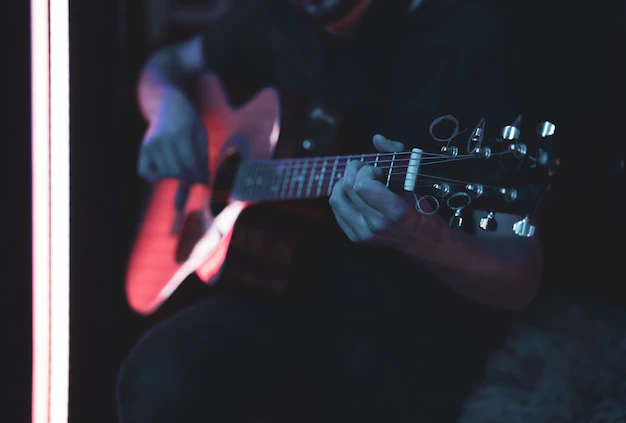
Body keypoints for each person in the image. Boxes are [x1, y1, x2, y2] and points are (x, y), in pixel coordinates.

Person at [117, 0, 547, 421]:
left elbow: (519, 277)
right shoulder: (273, 16)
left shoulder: (476, 33)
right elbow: (164, 67)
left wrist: (418, 232)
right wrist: (168, 109)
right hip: (283, 288)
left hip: (406, 325)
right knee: (154, 377)